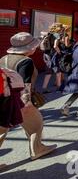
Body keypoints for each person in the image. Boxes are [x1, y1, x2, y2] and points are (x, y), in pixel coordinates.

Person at [0, 33, 57, 164]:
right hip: (19, 101)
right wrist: (27, 103)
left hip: (3, 98)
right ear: (28, 48)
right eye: (34, 46)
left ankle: (37, 149)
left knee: (2, 128)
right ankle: (37, 150)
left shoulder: (3, 58)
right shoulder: (26, 61)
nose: (35, 48)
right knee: (36, 125)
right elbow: (26, 83)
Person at [42, 23, 65, 93]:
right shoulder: (57, 35)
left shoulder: (49, 34)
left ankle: (44, 88)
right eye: (61, 29)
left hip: (46, 54)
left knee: (48, 72)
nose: (62, 30)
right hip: (53, 55)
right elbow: (55, 46)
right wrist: (60, 53)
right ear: (59, 29)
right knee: (58, 71)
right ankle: (59, 87)